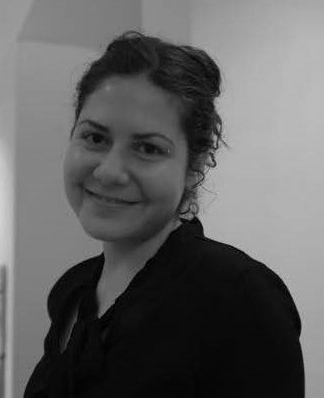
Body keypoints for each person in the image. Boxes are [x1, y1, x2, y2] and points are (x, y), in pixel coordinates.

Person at [24, 31, 304, 397]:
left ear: (194, 166)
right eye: (95, 138)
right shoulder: (71, 292)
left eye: (148, 148)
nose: (109, 171)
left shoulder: (238, 296)